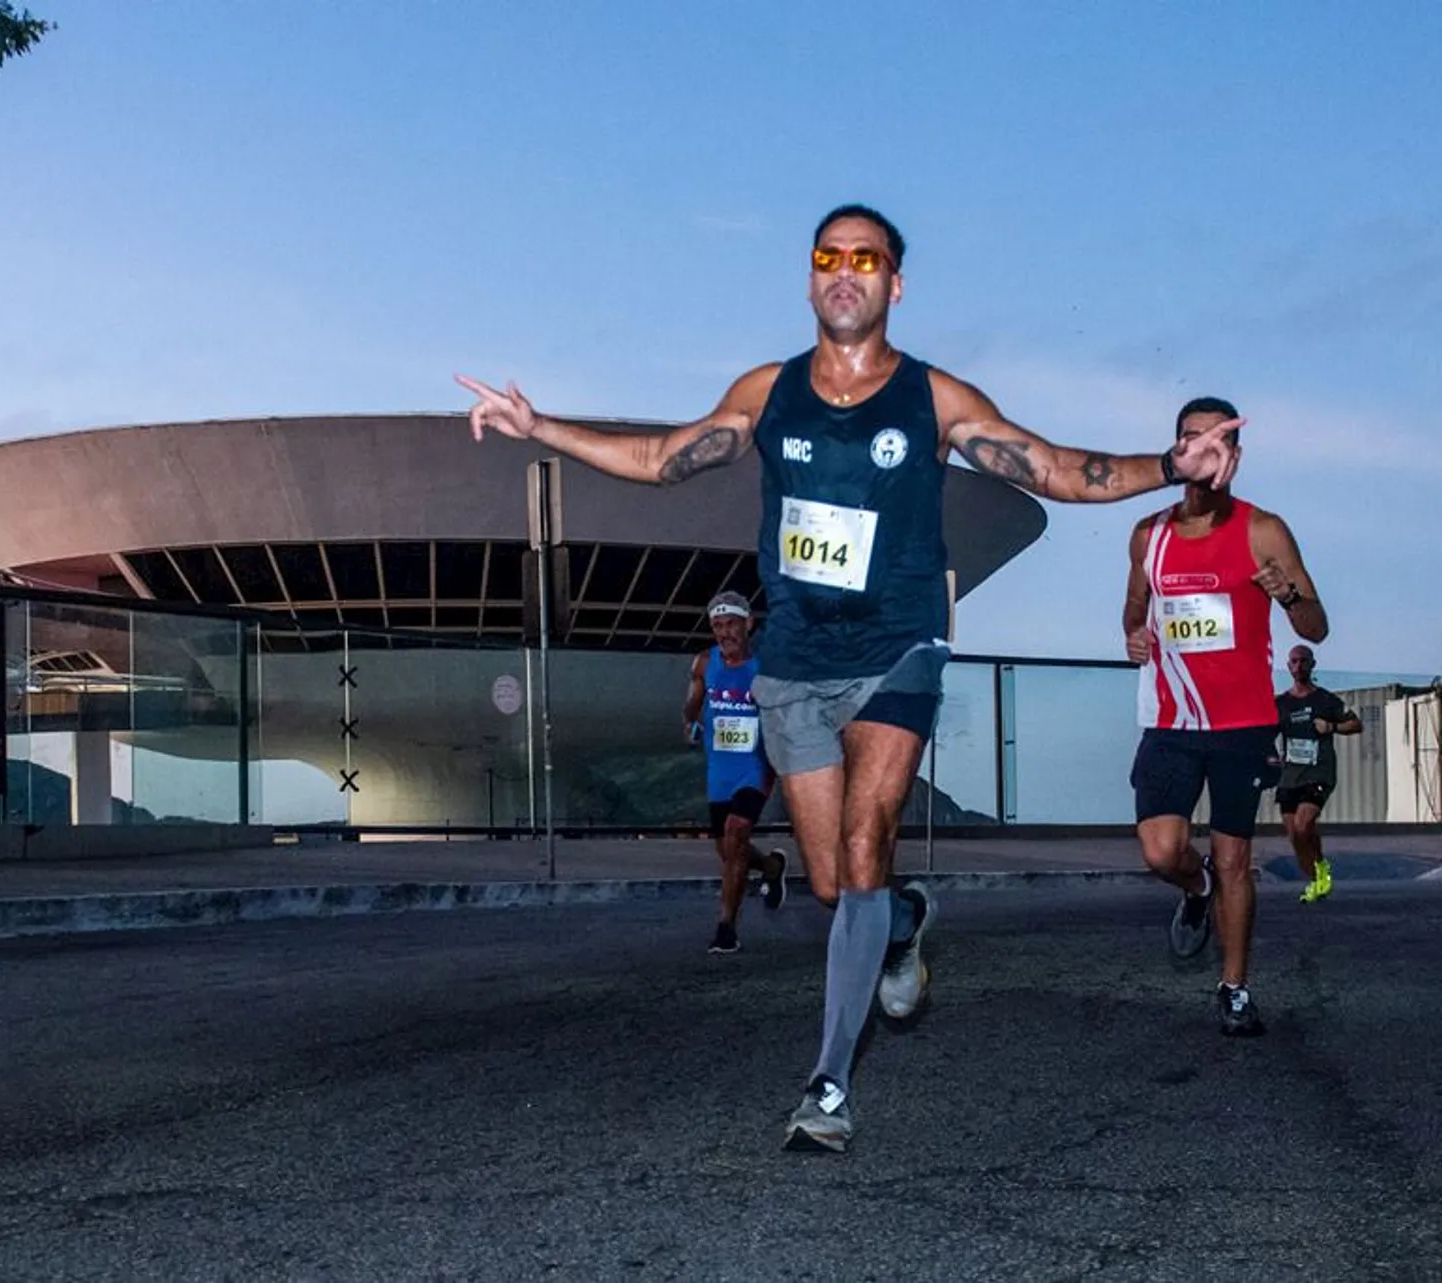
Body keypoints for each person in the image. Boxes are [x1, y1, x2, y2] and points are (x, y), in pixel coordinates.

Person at [456, 202, 1240, 1153]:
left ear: (894, 284)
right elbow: (667, 458)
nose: (846, 270)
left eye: (866, 259)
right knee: (836, 884)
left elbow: (1053, 468)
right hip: (794, 659)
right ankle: (905, 916)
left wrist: (1170, 464)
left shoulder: (935, 397)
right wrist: (543, 426)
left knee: (866, 843)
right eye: (829, 255)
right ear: (809, 277)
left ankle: (827, 1084)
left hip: (898, 650)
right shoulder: (769, 389)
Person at [1123, 397, 1328, 1038]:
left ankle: (1234, 988)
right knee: (1162, 852)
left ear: (1233, 455)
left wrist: (1286, 593)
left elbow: (1314, 625)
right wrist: (1132, 636)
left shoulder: (1263, 529)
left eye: (1219, 440)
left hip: (1241, 725)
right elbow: (1134, 613)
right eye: (1192, 438)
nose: (1204, 450)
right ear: (1178, 448)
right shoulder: (1147, 534)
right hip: (1170, 720)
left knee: (1236, 857)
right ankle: (1195, 889)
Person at [683, 590, 788, 954]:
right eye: (717, 626)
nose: (724, 632)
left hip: (755, 766)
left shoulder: (767, 667)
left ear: (748, 624)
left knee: (736, 831)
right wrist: (693, 722)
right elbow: (692, 705)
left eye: (731, 624)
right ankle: (772, 867)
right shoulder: (703, 663)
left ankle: (726, 928)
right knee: (730, 850)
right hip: (720, 770)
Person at [1274, 644, 1361, 903]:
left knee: (1303, 825)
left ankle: (1322, 869)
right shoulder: (1281, 703)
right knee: (1295, 835)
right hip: (1290, 775)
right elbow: (1265, 733)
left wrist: (1332, 726)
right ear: (1288, 666)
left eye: (1303, 661)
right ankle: (1317, 878)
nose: (1299, 665)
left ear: (1312, 665)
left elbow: (1356, 724)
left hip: (1319, 772)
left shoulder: (1325, 699)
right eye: (1294, 661)